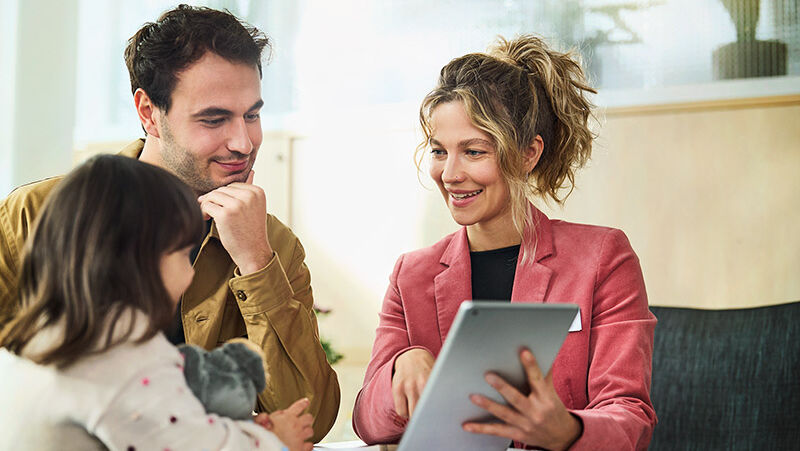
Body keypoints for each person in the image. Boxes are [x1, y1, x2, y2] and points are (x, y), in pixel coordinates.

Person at [0, 5, 338, 441]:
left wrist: (256, 263)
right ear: (148, 112)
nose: (243, 142)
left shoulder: (271, 244)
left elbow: (313, 420)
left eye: (252, 115)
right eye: (214, 119)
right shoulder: (33, 215)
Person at [352, 35, 657, 450]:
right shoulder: (412, 273)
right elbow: (368, 422)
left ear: (528, 154)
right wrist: (399, 367)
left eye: (474, 151)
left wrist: (565, 430)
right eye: (440, 151)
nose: (450, 173)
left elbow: (629, 416)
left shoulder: (603, 258)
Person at [0, 155, 313, 451]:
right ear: (140, 260)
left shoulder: (43, 340)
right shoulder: (125, 357)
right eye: (180, 252)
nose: (190, 272)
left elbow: (173, 426)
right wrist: (275, 439)